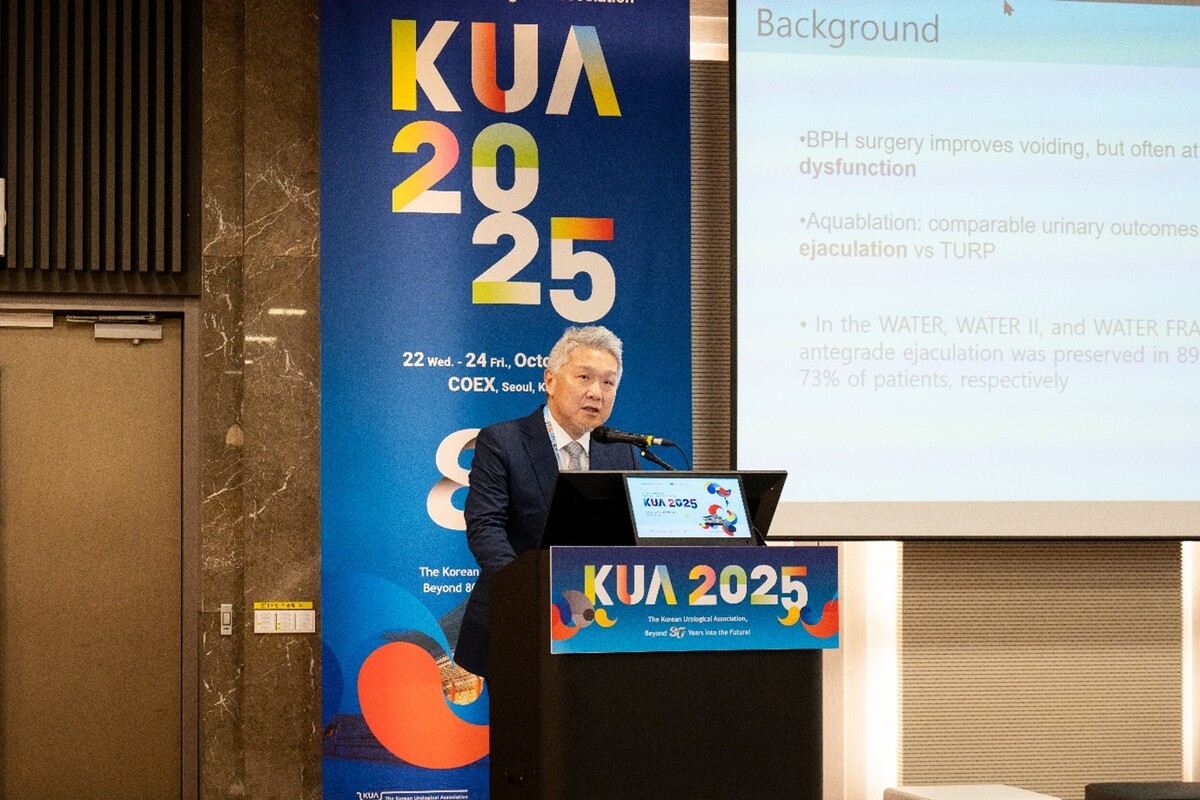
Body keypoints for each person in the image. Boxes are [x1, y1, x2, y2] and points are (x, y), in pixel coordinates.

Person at [454, 325, 640, 679]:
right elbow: (485, 528)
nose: (596, 392)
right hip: (520, 621)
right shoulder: (502, 441)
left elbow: (630, 538)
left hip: (600, 629)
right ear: (550, 380)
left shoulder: (622, 453)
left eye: (608, 382)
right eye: (584, 377)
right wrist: (535, 593)